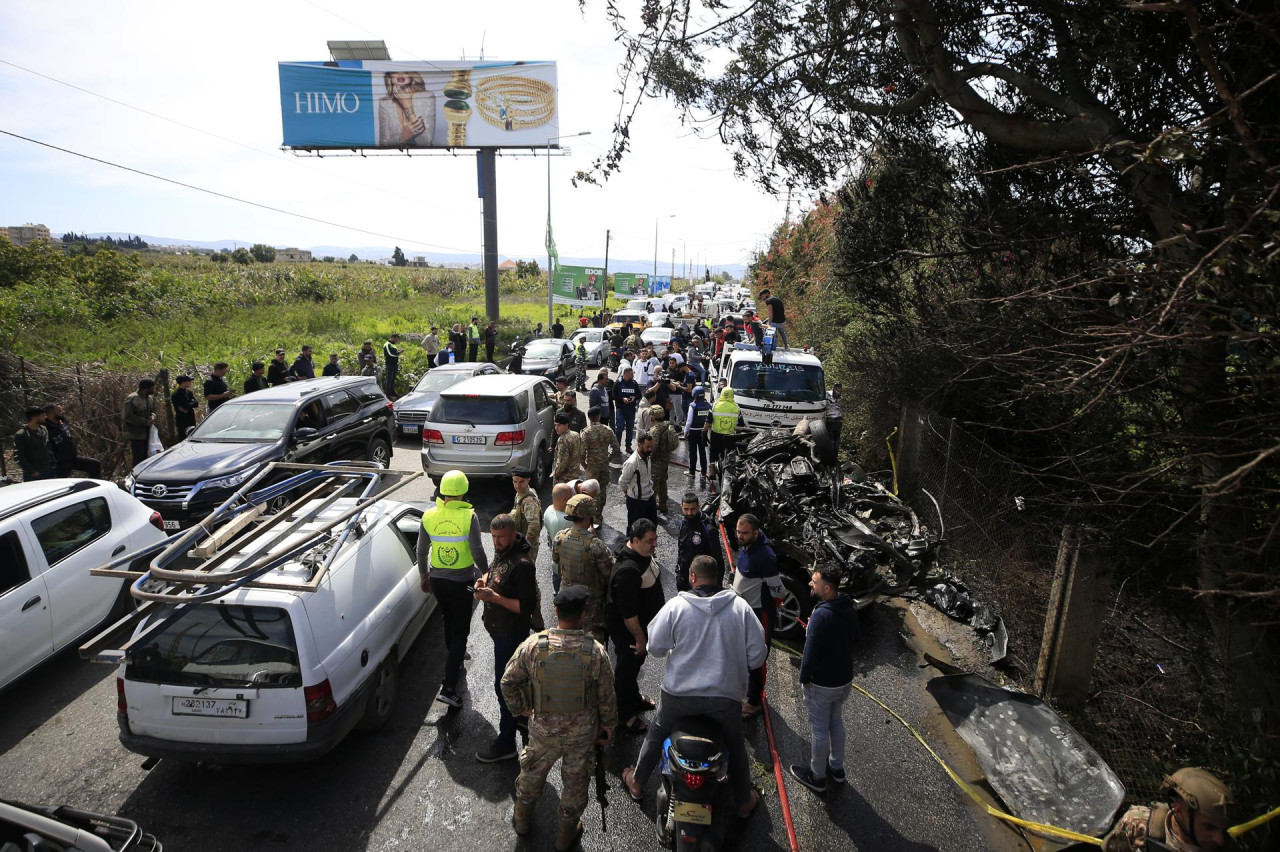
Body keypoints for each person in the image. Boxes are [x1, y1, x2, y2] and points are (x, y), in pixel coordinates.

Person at [621, 554, 766, 819]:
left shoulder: (677, 606)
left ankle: (637, 782)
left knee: (656, 734)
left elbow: (654, 647)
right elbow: (757, 656)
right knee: (735, 743)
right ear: (719, 579)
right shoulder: (741, 608)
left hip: (679, 696)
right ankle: (744, 801)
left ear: (692, 577)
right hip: (725, 698)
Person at [502, 585, 617, 851]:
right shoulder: (596, 652)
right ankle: (565, 839)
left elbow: (508, 681)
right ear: (583, 615)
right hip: (582, 735)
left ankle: (522, 822)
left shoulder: (533, 646)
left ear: (556, 611)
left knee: (531, 776)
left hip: (543, 731)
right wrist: (608, 727)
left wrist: (520, 709)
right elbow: (607, 697)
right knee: (575, 786)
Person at [416, 469, 490, 709]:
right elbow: (477, 550)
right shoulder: (469, 517)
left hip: (438, 579)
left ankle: (454, 658)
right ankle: (448, 687)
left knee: (449, 619)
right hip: (462, 582)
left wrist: (424, 577)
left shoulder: (429, 515)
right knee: (461, 631)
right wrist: (487, 572)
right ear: (464, 493)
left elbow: (421, 551)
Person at [474, 513, 542, 763]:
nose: (496, 542)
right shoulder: (504, 550)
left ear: (513, 535)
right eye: (493, 537)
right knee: (514, 684)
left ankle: (506, 742)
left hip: (511, 636)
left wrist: (493, 598)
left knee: (503, 686)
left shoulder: (523, 565)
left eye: (500, 537)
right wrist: (484, 579)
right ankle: (522, 718)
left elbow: (524, 607)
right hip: (499, 632)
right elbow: (495, 569)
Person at [789, 565, 858, 794]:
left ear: (826, 588)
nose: (810, 583)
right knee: (836, 722)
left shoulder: (821, 615)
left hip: (823, 684)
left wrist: (805, 678)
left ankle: (817, 776)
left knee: (819, 729)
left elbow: (810, 654)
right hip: (844, 681)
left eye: (815, 581)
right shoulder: (847, 605)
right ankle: (836, 768)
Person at [605, 519, 664, 735]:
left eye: (655, 539)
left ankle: (633, 698)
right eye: (650, 541)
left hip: (643, 629)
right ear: (635, 540)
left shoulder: (641, 554)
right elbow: (628, 613)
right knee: (626, 672)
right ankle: (624, 715)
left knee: (634, 668)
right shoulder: (628, 571)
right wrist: (640, 639)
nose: (655, 545)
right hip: (630, 633)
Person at [1102, 768, 1234, 852]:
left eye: (1222, 829)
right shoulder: (1136, 824)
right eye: (1209, 827)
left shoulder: (1227, 848)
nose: (1220, 839)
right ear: (1179, 810)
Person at [734, 513, 785, 718]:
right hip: (745, 612)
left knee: (757, 658)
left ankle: (755, 702)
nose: (739, 536)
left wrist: (770, 607)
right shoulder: (747, 545)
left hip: (759, 613)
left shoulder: (765, 556)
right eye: (738, 532)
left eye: (744, 533)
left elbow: (778, 590)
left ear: (756, 532)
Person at [551, 495, 614, 645]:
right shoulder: (595, 545)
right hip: (591, 606)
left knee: (567, 642)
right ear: (588, 518)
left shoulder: (560, 538)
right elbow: (610, 574)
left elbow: (556, 562)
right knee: (592, 647)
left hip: (567, 600)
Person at [580, 406, 619, 526]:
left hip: (592, 467)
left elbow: (582, 452)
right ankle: (598, 515)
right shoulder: (607, 430)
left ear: (589, 418)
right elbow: (616, 448)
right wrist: (609, 458)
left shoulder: (587, 432)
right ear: (599, 416)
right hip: (604, 465)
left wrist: (584, 464)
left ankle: (590, 517)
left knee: (590, 492)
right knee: (602, 490)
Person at [43, 403, 101, 479]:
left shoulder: (62, 422)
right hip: (59, 463)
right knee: (58, 484)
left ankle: (95, 488)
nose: (62, 412)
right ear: (51, 414)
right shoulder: (45, 429)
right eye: (59, 411)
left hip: (72, 458)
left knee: (95, 464)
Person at [676, 492, 720, 592]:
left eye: (693, 509)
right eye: (686, 509)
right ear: (681, 507)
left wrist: (716, 585)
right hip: (684, 576)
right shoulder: (683, 523)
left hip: (701, 581)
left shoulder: (707, 527)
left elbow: (717, 558)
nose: (689, 513)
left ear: (698, 507)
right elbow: (681, 547)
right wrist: (679, 571)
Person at [620, 433, 658, 532]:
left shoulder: (647, 457)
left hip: (649, 498)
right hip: (636, 502)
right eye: (647, 447)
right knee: (634, 529)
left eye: (651, 446)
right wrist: (627, 492)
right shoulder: (631, 463)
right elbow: (622, 481)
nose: (650, 449)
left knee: (652, 525)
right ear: (639, 445)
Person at [648, 406, 681, 515]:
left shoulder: (655, 430)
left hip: (656, 460)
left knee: (653, 484)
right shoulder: (668, 425)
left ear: (653, 417)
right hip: (666, 458)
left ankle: (650, 508)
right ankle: (663, 504)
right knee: (663, 481)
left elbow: (652, 447)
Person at [542, 483, 575, 594]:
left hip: (555, 562)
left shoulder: (548, 510)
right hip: (566, 566)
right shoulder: (566, 521)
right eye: (572, 496)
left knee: (556, 580)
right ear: (565, 499)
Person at [709, 387, 741, 492]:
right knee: (728, 458)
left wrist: (703, 434)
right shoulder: (736, 408)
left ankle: (712, 469)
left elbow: (707, 422)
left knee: (713, 452)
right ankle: (727, 475)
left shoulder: (715, 406)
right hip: (730, 437)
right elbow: (740, 426)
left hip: (716, 435)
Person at [122, 379, 157, 469]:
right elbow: (128, 416)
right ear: (145, 388)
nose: (153, 389)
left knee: (146, 456)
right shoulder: (133, 398)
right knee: (138, 457)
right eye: (152, 388)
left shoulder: (149, 399)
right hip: (136, 433)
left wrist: (152, 417)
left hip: (147, 433)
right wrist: (145, 422)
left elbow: (153, 411)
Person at [13, 407, 55, 481]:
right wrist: (32, 472)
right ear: (35, 418)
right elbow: (18, 457)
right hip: (34, 475)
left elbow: (49, 448)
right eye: (43, 415)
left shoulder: (44, 429)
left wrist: (53, 464)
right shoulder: (21, 435)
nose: (46, 417)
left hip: (50, 471)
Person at [510, 469, 543, 563]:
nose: (517, 485)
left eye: (521, 482)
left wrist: (525, 544)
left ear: (528, 480)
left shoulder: (528, 501)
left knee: (526, 570)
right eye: (515, 481)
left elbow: (534, 526)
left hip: (527, 545)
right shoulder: (520, 493)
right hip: (521, 539)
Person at [685, 386, 712, 480]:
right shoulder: (709, 405)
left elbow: (689, 421)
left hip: (693, 432)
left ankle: (692, 472)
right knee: (702, 452)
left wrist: (685, 431)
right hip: (703, 432)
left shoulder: (692, 406)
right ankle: (704, 472)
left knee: (692, 453)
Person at [551, 412, 585, 484]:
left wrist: (555, 474)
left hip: (564, 479)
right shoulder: (576, 434)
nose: (556, 428)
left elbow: (562, 463)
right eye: (555, 425)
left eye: (559, 425)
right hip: (574, 475)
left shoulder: (563, 440)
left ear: (566, 425)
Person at [613, 365, 640, 452]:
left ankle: (628, 446)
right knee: (619, 427)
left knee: (630, 428)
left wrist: (634, 398)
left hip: (631, 410)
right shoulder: (618, 383)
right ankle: (617, 447)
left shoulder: (634, 383)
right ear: (626, 375)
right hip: (621, 409)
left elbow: (639, 395)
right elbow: (613, 396)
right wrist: (622, 399)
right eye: (631, 374)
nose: (633, 376)